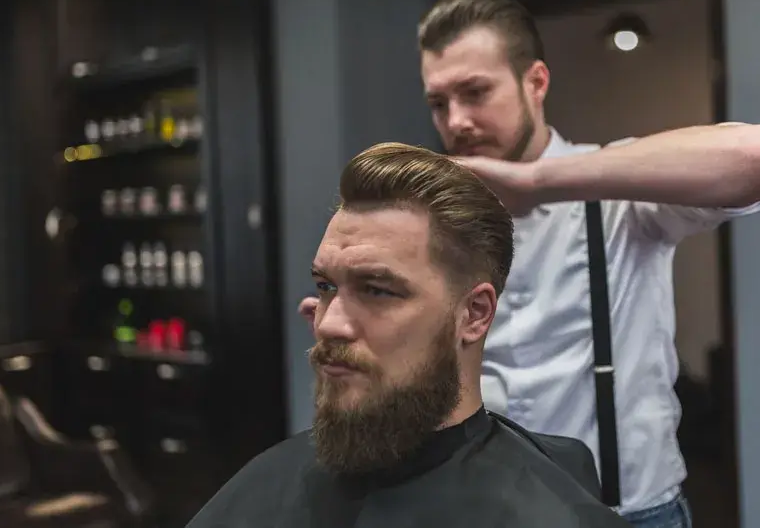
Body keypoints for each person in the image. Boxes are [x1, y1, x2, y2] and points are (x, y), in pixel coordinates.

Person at [298, 0, 760, 528]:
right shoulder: (429, 221)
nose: (456, 121)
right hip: (483, 512)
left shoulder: (616, 188)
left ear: (535, 83)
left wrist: (537, 182)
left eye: (475, 93)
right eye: (439, 103)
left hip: (628, 513)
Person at [187, 143, 632, 528]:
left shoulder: (553, 512)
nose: (329, 324)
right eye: (326, 287)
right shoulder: (265, 482)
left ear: (474, 314)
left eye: (377, 290)